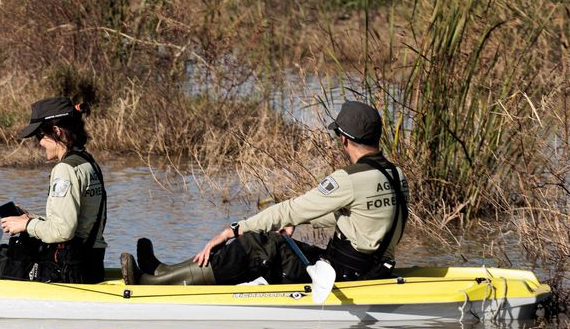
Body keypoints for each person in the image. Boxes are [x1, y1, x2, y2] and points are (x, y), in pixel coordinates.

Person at [122, 100, 407, 287]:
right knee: (271, 244)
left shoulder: (349, 179)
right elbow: (365, 220)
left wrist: (232, 230)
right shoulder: (396, 175)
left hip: (341, 276)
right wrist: (306, 221)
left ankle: (152, 285)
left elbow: (288, 209)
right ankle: (163, 270)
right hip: (371, 270)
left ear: (343, 139)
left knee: (256, 246)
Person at [0, 96, 109, 283]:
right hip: (92, 264)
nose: (40, 143)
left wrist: (26, 226)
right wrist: (32, 219)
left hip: (68, 271)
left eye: (40, 136)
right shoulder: (88, 163)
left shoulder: (64, 170)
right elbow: (78, 225)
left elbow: (63, 232)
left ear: (56, 131)